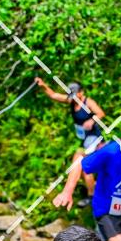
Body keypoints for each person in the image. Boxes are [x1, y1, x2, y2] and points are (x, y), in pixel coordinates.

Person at [35, 77, 107, 205]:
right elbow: (53, 95)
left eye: (75, 95)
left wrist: (91, 120)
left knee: (83, 164)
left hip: (94, 138)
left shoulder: (88, 102)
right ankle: (93, 192)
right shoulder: (72, 100)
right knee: (83, 167)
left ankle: (92, 196)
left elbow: (101, 113)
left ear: (81, 92)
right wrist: (43, 85)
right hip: (84, 139)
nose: (73, 98)